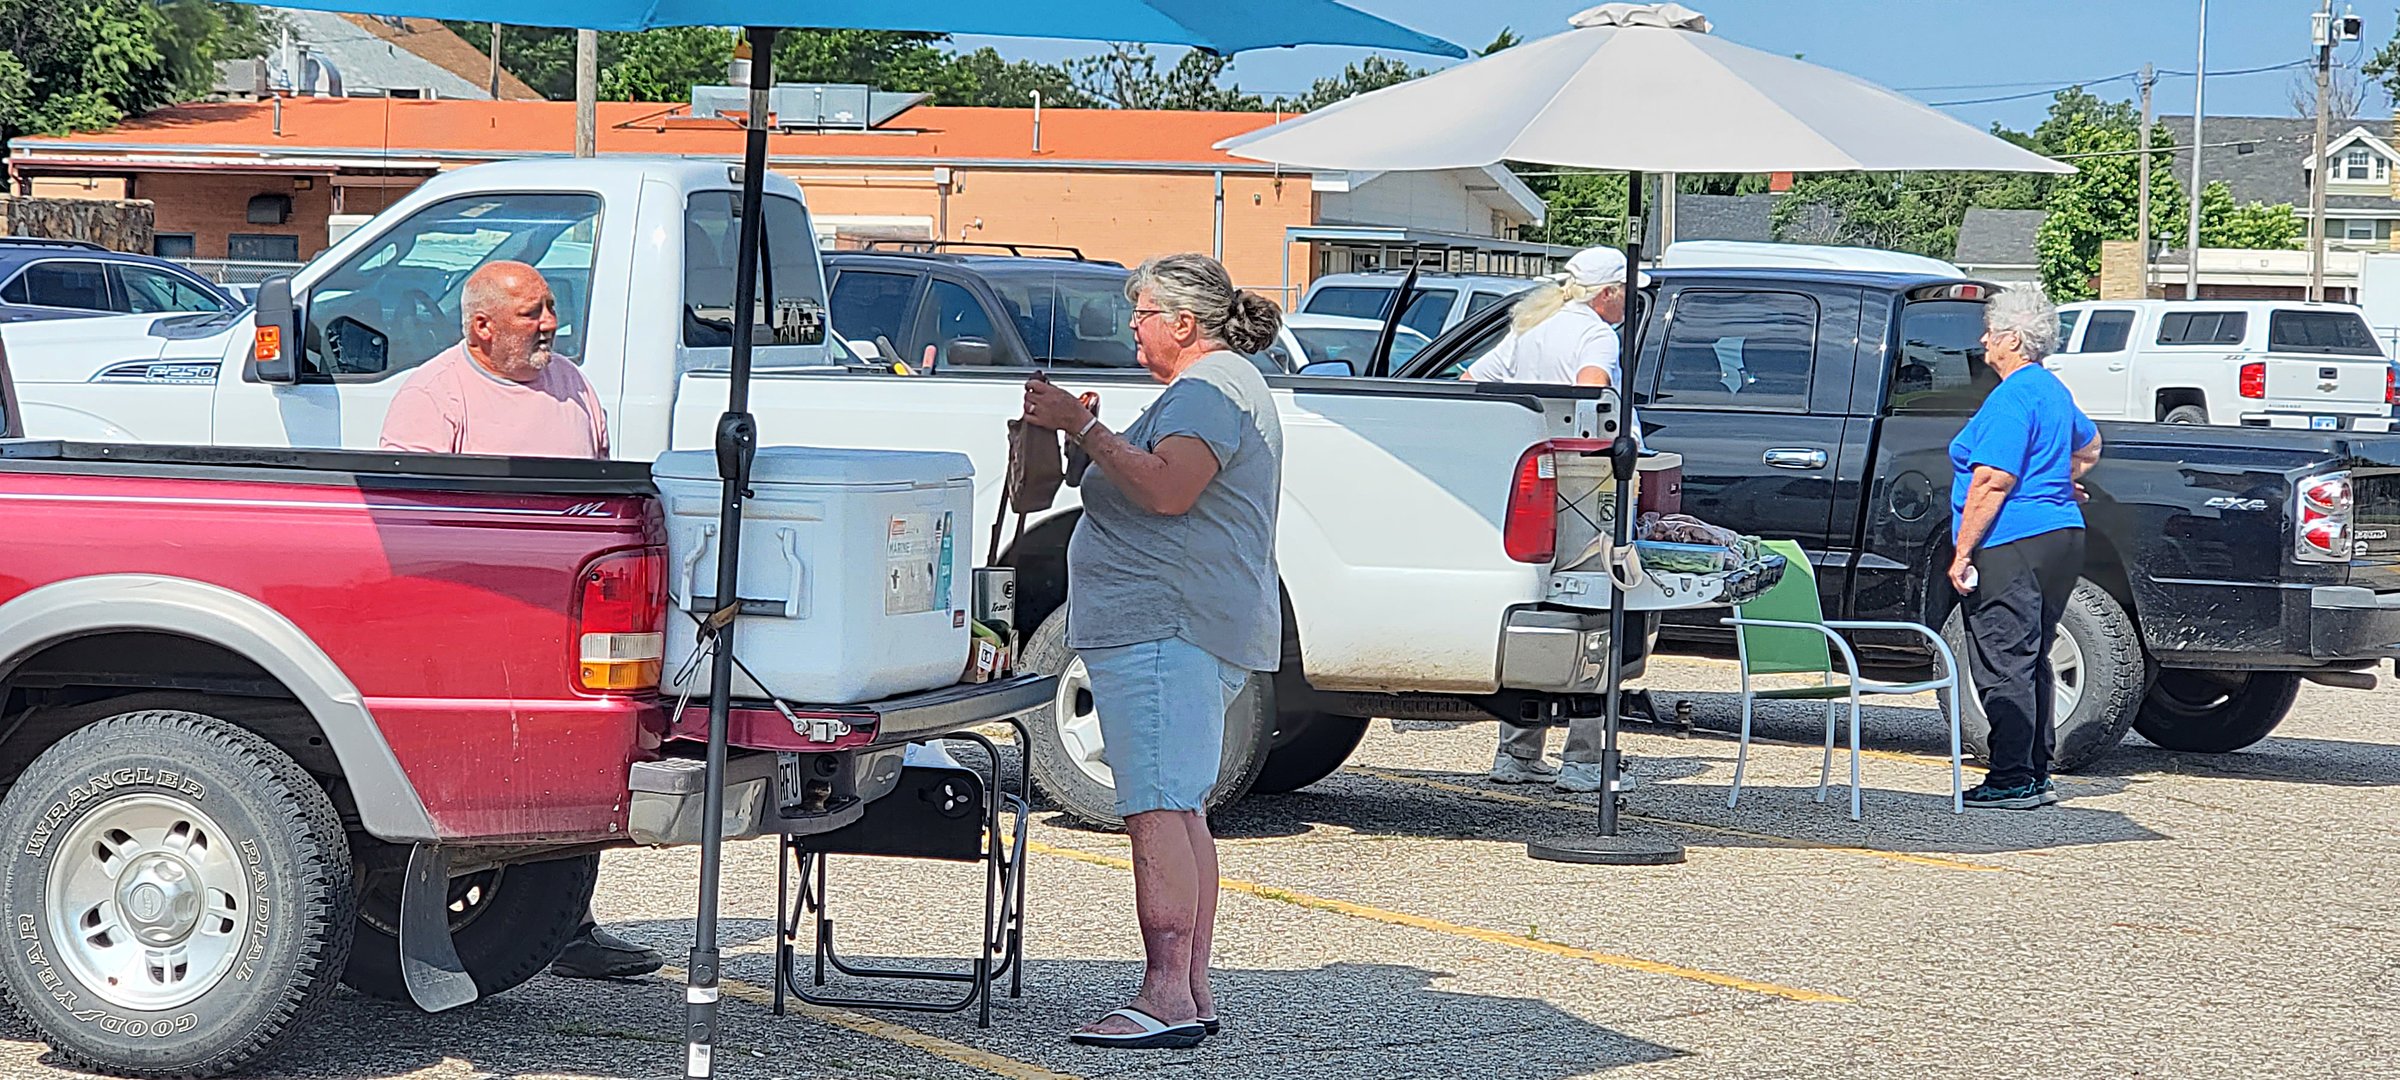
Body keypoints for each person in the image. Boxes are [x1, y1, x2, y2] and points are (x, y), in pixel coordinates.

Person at [1021, 254, 1283, 1050]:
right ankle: (1189, 989)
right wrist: (1089, 441)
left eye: (1142, 314)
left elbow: (1169, 489)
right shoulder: (1213, 388)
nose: (1132, 327)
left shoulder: (1208, 391)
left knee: (1159, 809)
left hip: (1166, 627)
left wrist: (1085, 429)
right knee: (1179, 806)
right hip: (1177, 624)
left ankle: (1165, 994)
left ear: (1184, 322)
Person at [378, 260, 661, 978]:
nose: (550, 325)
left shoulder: (573, 385)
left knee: (575, 766)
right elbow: (408, 527)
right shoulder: (433, 397)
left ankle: (571, 925)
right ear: (481, 326)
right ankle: (432, 929)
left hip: (567, 616)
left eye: (550, 308)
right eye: (532, 313)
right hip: (474, 622)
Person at [1465, 246, 1650, 794]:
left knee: (1539, 603)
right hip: (1588, 484)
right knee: (1596, 609)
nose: (1630, 302)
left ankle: (1517, 752)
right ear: (1608, 293)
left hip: (1532, 475)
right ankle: (1584, 760)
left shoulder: (1533, 326)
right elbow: (1591, 395)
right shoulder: (1596, 335)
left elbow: (1472, 380)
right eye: (1627, 293)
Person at [1947, 285, 2101, 811]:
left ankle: (2011, 776)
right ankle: (2035, 771)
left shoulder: (2012, 396)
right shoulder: (2051, 390)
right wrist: (2063, 478)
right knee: (2032, 654)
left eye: (1990, 332)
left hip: (2012, 539)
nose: (1984, 341)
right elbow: (2091, 444)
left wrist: (1963, 551)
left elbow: (1993, 479)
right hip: (2061, 536)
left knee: (2004, 657)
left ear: (2013, 339)